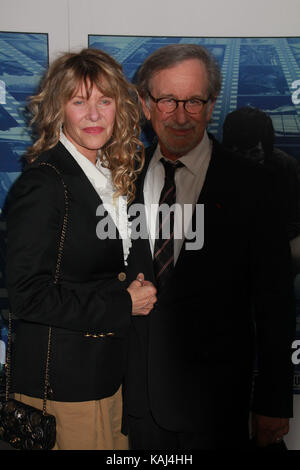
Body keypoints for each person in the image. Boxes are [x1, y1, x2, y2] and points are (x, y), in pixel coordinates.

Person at [124, 44, 295, 450]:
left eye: (194, 101)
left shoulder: (253, 187)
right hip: (133, 410)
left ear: (212, 104)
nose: (181, 116)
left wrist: (273, 401)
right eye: (167, 100)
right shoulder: (119, 181)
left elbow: (276, 307)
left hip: (216, 410)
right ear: (146, 105)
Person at [5, 48, 156, 450]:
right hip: (63, 388)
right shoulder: (44, 185)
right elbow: (26, 296)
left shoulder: (117, 175)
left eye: (104, 101)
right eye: (79, 101)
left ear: (120, 108)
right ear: (59, 109)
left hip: (111, 377)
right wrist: (123, 305)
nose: (93, 114)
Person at [222, 106, 300, 274]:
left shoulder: (286, 167)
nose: (247, 161)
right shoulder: (215, 167)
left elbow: (295, 218)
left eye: (254, 153)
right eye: (240, 153)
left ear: (267, 149)